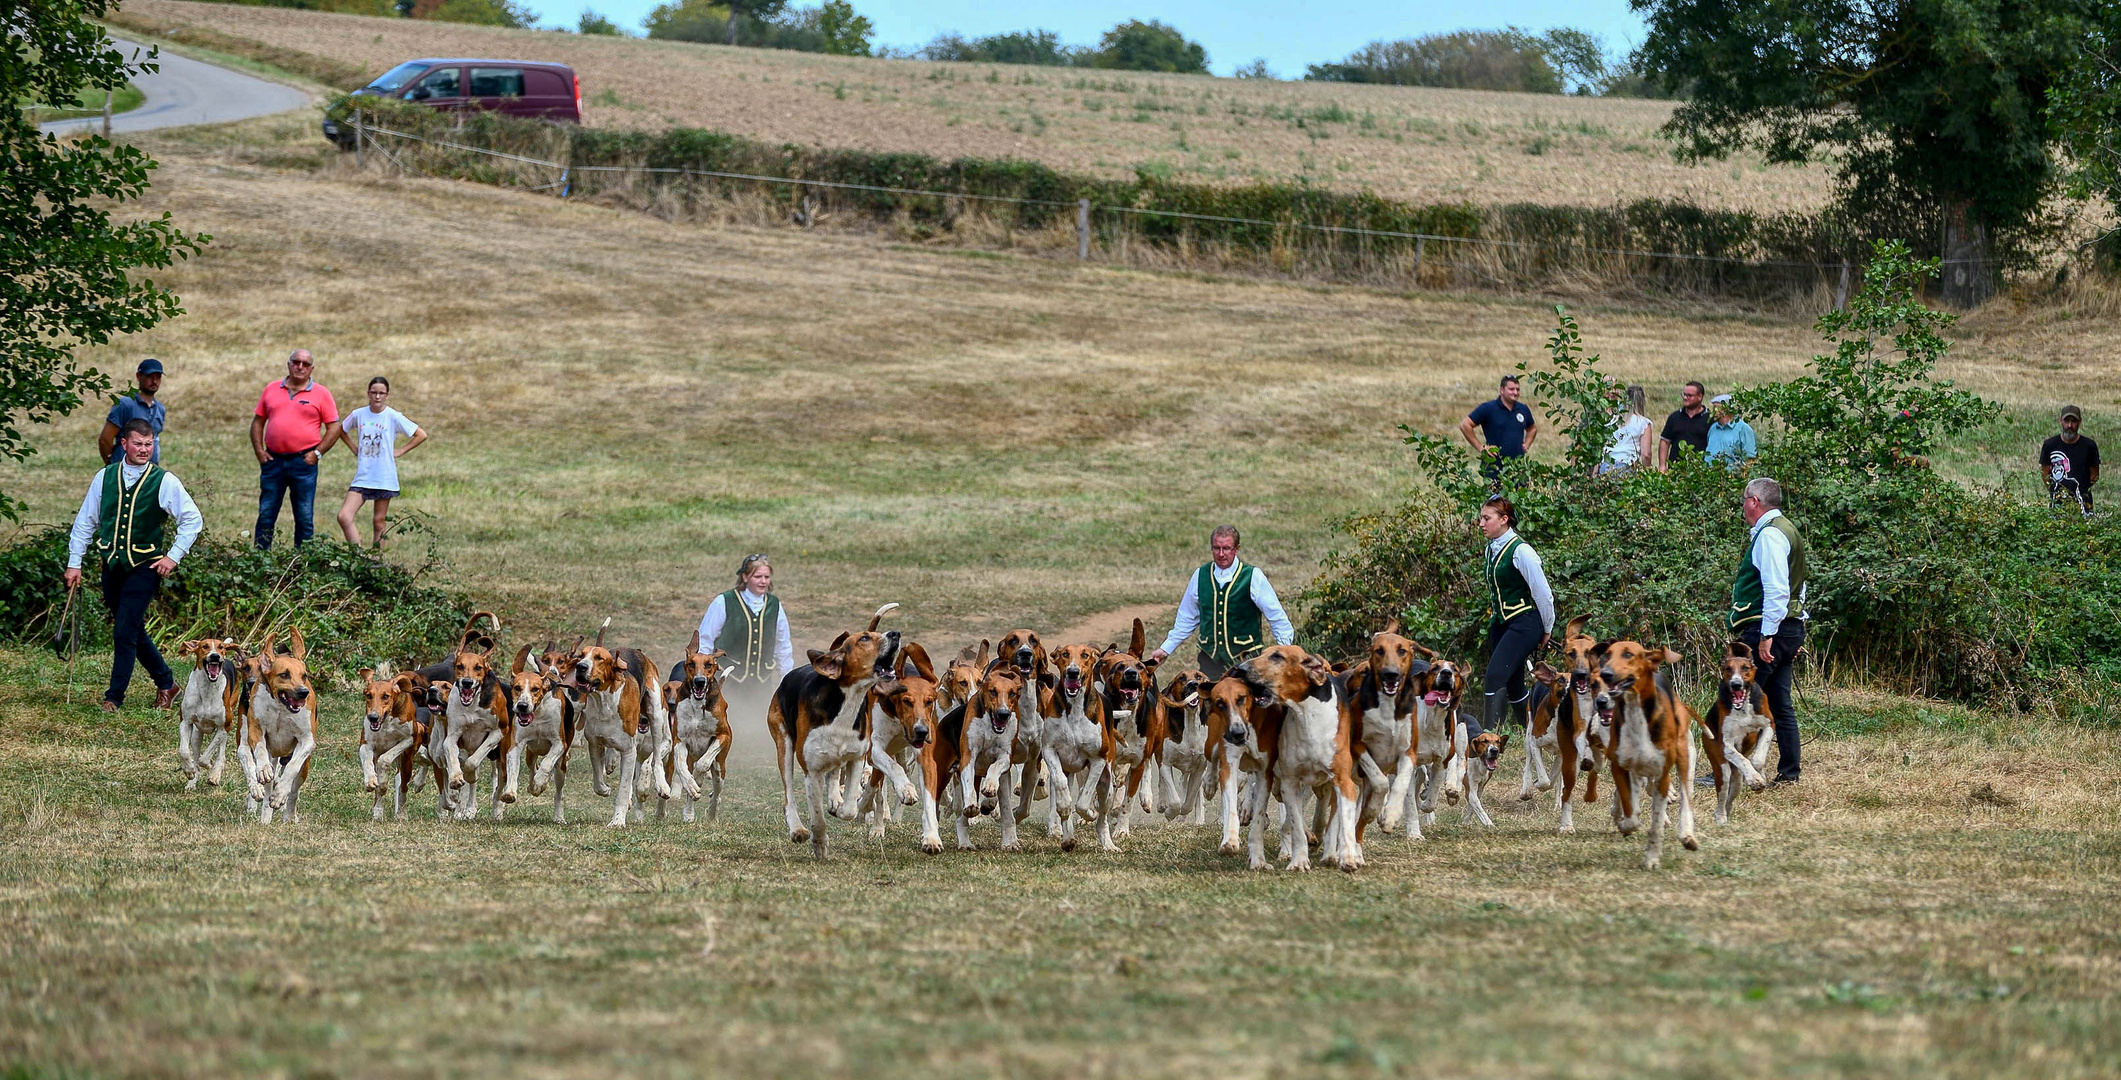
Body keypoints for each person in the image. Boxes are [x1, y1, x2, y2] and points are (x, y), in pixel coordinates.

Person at [63, 420, 205, 712]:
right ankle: (167, 683)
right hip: (112, 566)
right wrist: (74, 562)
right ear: (124, 444)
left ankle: (114, 697)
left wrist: (173, 556)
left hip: (145, 567)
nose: (144, 449)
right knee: (132, 629)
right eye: (138, 444)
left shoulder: (163, 480)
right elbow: (85, 521)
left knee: (124, 631)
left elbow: (192, 520)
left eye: (149, 444)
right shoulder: (105, 477)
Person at [1147, 525, 1296, 682]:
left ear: (1236, 549)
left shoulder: (1253, 576)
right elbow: (1187, 618)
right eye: (1216, 548)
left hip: (1246, 661)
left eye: (1226, 548)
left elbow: (1276, 617)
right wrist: (1165, 649)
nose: (1221, 554)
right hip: (1210, 661)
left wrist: (1285, 653)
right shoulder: (1200, 575)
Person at [1730, 477, 1806, 785]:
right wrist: (1796, 628)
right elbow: (1799, 588)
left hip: (1767, 629)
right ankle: (1789, 772)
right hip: (1788, 626)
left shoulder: (1770, 535)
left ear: (1754, 502)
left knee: (1737, 699)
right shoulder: (1789, 530)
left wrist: (1767, 635)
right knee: (1779, 703)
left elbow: (1776, 589)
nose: (1743, 506)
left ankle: (1729, 769)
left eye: (1744, 500)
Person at [1472, 494, 1553, 738]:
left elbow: (1543, 593)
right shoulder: (1491, 549)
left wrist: (1547, 627)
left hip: (1524, 622)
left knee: (1494, 676)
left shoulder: (1522, 551)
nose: (1481, 524)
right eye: (1481, 518)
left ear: (1504, 519)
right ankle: (1528, 732)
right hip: (1501, 623)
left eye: (1487, 518)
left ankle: (1488, 737)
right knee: (1513, 681)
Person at [251, 349, 341, 548]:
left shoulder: (321, 394)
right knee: (266, 514)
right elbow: (258, 421)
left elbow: (334, 427)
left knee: (304, 517)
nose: (300, 367)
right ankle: (258, 560)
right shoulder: (271, 389)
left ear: (312, 369)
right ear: (289, 364)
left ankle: (302, 565)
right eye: (296, 362)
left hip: (303, 463)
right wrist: (259, 451)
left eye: (305, 364)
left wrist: (317, 453)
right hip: (273, 462)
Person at [697, 553, 795, 729]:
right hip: (730, 679)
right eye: (758, 576)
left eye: (766, 577)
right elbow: (706, 639)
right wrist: (703, 673)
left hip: (761, 682)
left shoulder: (775, 605)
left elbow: (783, 645)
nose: (763, 581)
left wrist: (787, 679)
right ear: (745, 577)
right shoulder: (724, 602)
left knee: (760, 724)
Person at [335, 377, 429, 549]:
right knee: (344, 516)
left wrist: (401, 451)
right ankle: (359, 555)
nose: (377, 397)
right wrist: (353, 448)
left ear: (387, 395)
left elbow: (421, 434)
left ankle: (377, 561)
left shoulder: (393, 416)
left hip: (384, 475)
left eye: (381, 393)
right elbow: (340, 430)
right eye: (374, 393)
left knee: (379, 522)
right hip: (363, 475)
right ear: (368, 394)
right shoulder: (358, 414)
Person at [1459, 375, 1538, 480]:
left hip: (1518, 470)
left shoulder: (1523, 409)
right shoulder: (1488, 408)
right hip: (1494, 469)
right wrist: (1481, 448)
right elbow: (1465, 425)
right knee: (1496, 496)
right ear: (1502, 390)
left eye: (1517, 389)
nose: (1515, 392)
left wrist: (1526, 444)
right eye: (1511, 389)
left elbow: (1532, 428)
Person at [99, 359, 167, 465]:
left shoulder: (160, 408)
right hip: (124, 471)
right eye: (150, 376)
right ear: (139, 376)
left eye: (158, 377)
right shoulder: (125, 404)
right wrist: (112, 465)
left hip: (149, 474)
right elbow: (105, 439)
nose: (154, 381)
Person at [2040, 405, 2099, 516]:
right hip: (2057, 506)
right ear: (2060, 421)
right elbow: (2045, 474)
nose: (2070, 426)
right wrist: (2055, 491)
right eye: (2066, 421)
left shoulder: (2089, 446)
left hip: (2083, 506)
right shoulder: (2050, 445)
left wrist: (2082, 490)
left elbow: (2094, 475)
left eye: (2074, 421)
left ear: (2080, 422)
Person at [1599, 384, 1654, 475]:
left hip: (1606, 465)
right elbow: (1646, 454)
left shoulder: (1613, 420)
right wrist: (1647, 473)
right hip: (1626, 465)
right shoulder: (1643, 423)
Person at [1658, 381, 1710, 471]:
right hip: (1675, 469)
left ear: (1700, 397)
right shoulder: (1674, 418)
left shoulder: (1709, 419)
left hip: (1700, 471)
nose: (1685, 398)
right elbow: (1665, 441)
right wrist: (1662, 465)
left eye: (1689, 396)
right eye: (1684, 395)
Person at [1705, 394, 1758, 464]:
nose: (1713, 412)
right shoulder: (1713, 428)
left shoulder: (1743, 428)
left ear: (1726, 409)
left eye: (1715, 408)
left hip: (1733, 474)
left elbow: (1750, 459)